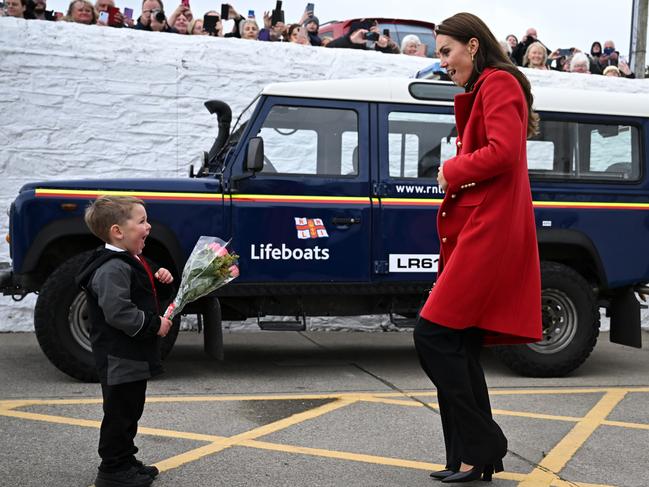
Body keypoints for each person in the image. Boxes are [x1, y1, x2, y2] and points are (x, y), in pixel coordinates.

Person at [414, 12, 542, 484]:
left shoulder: (499, 83)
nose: (442, 62)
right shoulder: (484, 87)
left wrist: (454, 168)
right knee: (459, 344)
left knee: (432, 335)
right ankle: (470, 459)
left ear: (472, 45)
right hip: (477, 228)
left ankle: (484, 443)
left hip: (488, 230)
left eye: (446, 52)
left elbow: (505, 152)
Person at [77, 196, 174, 487]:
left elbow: (141, 287)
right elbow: (119, 312)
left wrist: (161, 277)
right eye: (142, 221)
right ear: (118, 232)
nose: (149, 226)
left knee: (131, 410)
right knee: (119, 414)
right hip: (120, 356)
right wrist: (156, 325)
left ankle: (126, 459)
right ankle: (112, 471)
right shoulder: (112, 268)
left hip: (131, 355)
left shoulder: (129, 259)